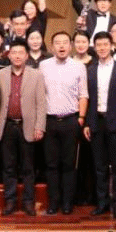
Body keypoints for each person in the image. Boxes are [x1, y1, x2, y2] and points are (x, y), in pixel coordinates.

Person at [39, 31, 88, 215]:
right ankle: (53, 203)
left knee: (69, 165)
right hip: (49, 121)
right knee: (51, 165)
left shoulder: (79, 67)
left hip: (71, 121)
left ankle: (68, 203)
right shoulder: (43, 66)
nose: (61, 46)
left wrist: (80, 118)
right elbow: (39, 94)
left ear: (70, 46)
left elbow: (83, 94)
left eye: (65, 42)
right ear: (52, 47)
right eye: (57, 42)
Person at [84, 32, 116, 217]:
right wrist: (87, 123)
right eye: (99, 45)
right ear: (95, 48)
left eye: (105, 44)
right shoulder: (90, 70)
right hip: (96, 122)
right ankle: (102, 203)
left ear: (111, 46)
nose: (102, 48)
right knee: (99, 167)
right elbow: (87, 99)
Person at [0, 38, 46, 216]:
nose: (17, 56)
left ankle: (28, 202)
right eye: (14, 52)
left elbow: (41, 103)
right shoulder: (0, 74)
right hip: (7, 125)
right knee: (8, 166)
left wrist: (40, 126)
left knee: (28, 168)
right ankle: (9, 201)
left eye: (21, 53)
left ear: (27, 56)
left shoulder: (36, 75)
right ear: (9, 55)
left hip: (28, 126)